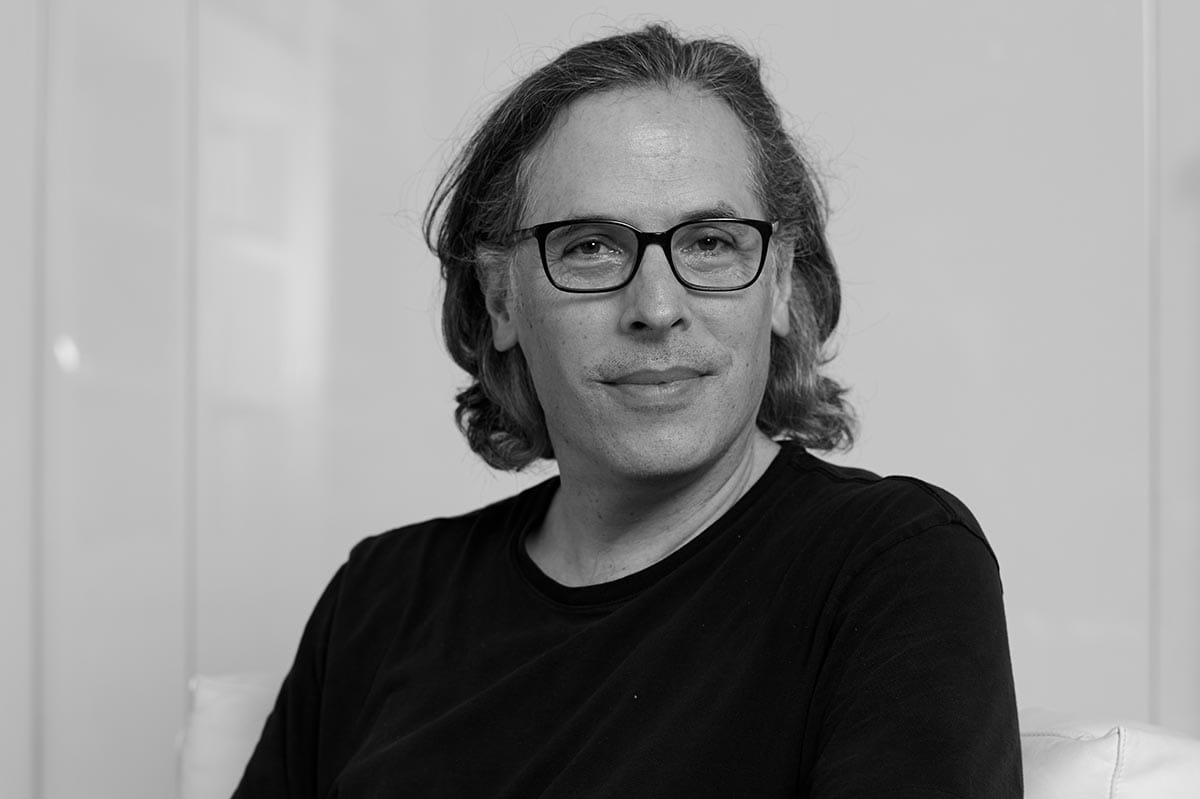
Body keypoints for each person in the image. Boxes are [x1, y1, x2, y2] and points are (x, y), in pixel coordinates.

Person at [234, 23, 1022, 798]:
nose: (656, 306)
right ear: (500, 297)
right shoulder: (382, 595)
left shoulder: (891, 566)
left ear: (779, 283)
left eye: (711, 242)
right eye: (591, 246)